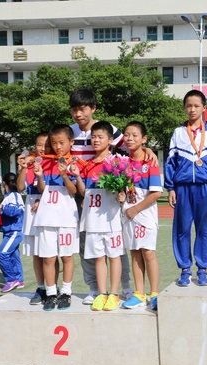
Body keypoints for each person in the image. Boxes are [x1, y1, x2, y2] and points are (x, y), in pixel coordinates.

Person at [69, 88, 142, 304]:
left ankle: (125, 287)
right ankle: (94, 289)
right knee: (87, 245)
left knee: (115, 245)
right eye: (74, 110)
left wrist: (145, 152)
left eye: (83, 109)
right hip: (82, 193)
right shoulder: (70, 132)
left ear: (93, 108)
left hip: (108, 194)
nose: (78, 114)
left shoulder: (107, 129)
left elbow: (131, 146)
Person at [165, 90, 207, 287]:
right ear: (184, 108)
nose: (192, 109)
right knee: (182, 229)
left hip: (205, 188)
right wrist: (170, 187)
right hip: (183, 187)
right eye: (189, 106)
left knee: (204, 230)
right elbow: (170, 161)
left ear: (204, 108)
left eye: (196, 106)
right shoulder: (178, 133)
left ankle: (203, 268)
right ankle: (185, 269)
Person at [75, 121, 125, 311]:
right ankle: (101, 294)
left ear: (110, 140)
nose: (95, 140)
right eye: (93, 137)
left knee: (114, 257)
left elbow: (123, 189)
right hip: (93, 219)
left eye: (100, 137)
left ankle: (114, 294)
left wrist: (122, 193)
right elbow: (83, 191)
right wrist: (78, 176)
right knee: (98, 257)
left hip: (111, 220)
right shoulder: (87, 165)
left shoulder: (116, 163)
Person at [33, 124, 82, 311]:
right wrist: (39, 177)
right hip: (46, 217)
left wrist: (65, 175)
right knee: (48, 258)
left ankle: (66, 292)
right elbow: (42, 190)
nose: (58, 146)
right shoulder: (45, 162)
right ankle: (51, 292)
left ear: (71, 142)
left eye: (62, 142)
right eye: (54, 143)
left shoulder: (74, 163)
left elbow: (74, 191)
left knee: (67, 257)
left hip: (66, 218)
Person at [120, 122, 163, 310]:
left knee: (148, 253)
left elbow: (156, 193)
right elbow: (120, 189)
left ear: (144, 139)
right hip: (127, 215)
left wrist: (135, 209)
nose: (130, 139)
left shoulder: (150, 162)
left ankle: (154, 294)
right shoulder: (122, 163)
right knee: (135, 253)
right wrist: (119, 196)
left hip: (144, 214)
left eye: (135, 135)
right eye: (127, 135)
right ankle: (139, 293)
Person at [16, 133, 58, 305]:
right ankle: (41, 287)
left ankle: (52, 288)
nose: (43, 148)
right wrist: (23, 168)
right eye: (40, 145)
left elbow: (52, 190)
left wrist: (42, 201)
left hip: (49, 210)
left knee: (50, 254)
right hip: (31, 213)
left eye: (47, 145)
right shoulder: (30, 163)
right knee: (36, 254)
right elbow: (19, 187)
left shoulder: (54, 164)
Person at [0, 173, 25, 293]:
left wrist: (1, 207)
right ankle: (19, 280)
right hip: (10, 230)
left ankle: (11, 280)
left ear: (4, 183)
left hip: (14, 231)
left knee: (1, 254)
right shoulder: (10, 195)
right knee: (13, 256)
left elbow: (14, 211)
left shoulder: (14, 195)